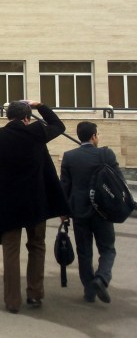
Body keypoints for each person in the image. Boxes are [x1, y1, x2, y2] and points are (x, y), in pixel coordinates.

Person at [0, 99, 69, 313]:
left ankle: (12, 301)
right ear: (27, 118)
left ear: (8, 117)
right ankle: (34, 295)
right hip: (36, 203)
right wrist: (40, 106)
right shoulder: (36, 132)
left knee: (11, 251)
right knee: (36, 246)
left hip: (7, 204)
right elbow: (59, 126)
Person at [60, 121, 124, 304]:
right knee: (108, 249)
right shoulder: (106, 154)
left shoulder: (69, 157)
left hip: (79, 211)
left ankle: (89, 291)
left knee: (84, 252)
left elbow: (65, 186)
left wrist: (63, 212)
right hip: (104, 211)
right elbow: (119, 182)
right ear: (94, 136)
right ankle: (101, 278)